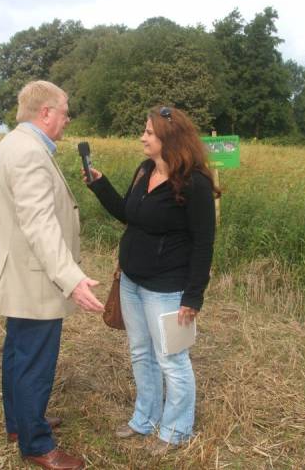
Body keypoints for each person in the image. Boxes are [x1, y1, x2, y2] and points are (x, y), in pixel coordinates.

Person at [84, 105, 219, 456]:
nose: (142, 137)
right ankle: (144, 418)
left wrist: (193, 297)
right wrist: (101, 186)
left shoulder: (194, 183)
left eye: (149, 132)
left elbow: (204, 243)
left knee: (172, 360)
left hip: (168, 289)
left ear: (169, 138)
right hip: (131, 282)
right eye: (144, 130)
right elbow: (129, 213)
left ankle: (176, 430)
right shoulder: (145, 170)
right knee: (141, 352)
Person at [0, 80, 104, 470]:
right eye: (65, 111)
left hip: (19, 270)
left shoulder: (11, 145)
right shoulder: (29, 154)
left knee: (18, 352)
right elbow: (39, 223)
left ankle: (19, 424)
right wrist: (70, 278)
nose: (68, 119)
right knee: (35, 360)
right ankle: (37, 444)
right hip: (35, 276)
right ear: (46, 113)